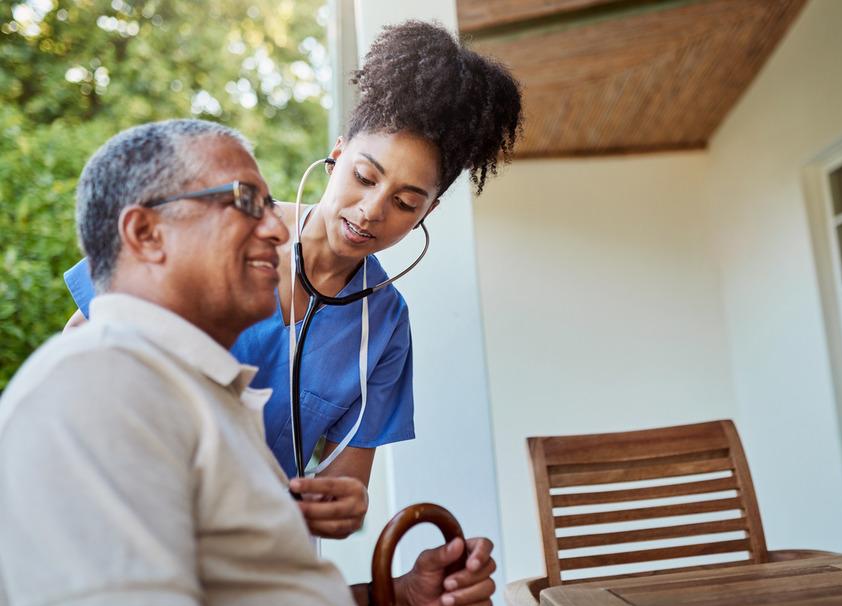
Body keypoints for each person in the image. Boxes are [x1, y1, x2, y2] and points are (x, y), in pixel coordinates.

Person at [0, 119, 496, 606]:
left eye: (406, 202)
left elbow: (258, 603)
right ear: (147, 235)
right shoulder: (97, 388)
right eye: (245, 203)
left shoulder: (238, 415)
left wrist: (397, 601)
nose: (278, 229)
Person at [62, 20, 523, 540]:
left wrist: (345, 508)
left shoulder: (385, 328)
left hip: (248, 558)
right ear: (336, 155)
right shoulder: (217, 223)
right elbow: (76, 354)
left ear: (428, 211)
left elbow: (345, 488)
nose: (371, 211)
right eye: (365, 177)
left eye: (404, 203)